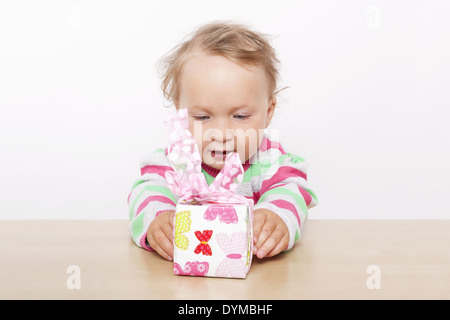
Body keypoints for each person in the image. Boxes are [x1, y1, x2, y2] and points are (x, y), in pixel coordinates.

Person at [127, 21, 318, 262]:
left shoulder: (269, 162)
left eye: (240, 116)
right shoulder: (173, 162)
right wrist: (159, 219)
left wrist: (275, 216)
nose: (221, 133)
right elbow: (147, 190)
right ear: (181, 114)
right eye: (202, 117)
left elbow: (292, 189)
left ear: (268, 112)